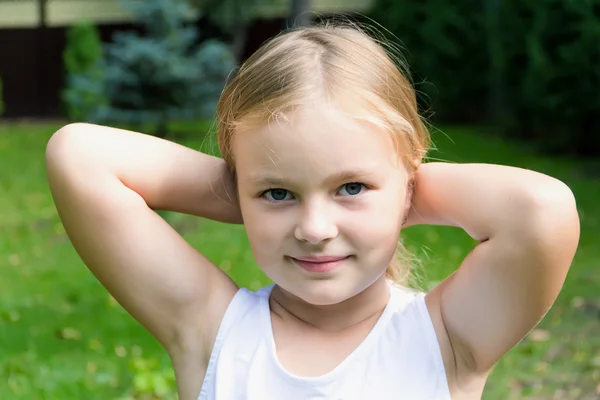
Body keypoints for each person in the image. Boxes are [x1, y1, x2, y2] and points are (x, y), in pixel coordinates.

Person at [45, 22, 580, 400]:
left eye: (351, 186)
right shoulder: (213, 331)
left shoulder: (446, 338)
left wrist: (396, 195)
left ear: (406, 180)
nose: (315, 229)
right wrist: (249, 185)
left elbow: (541, 210)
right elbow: (79, 156)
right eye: (279, 195)